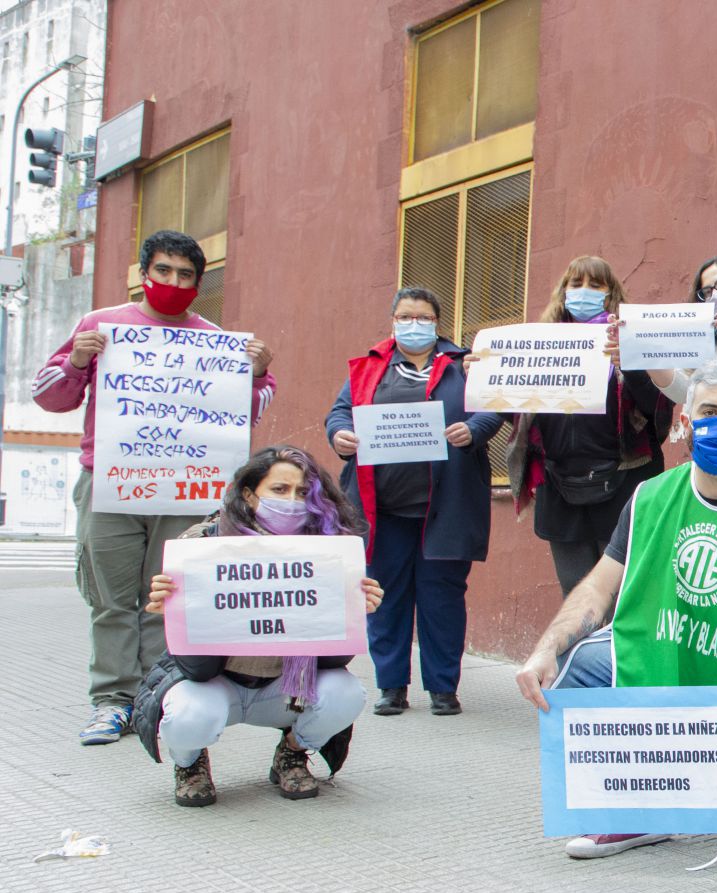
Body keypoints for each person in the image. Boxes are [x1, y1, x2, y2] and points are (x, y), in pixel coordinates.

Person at [514, 358, 717, 860]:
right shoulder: (649, 497)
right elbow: (598, 587)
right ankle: (637, 807)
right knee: (567, 668)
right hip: (672, 654)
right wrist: (544, 650)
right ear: (684, 421)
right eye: (709, 409)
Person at [32, 229, 278, 746]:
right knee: (110, 597)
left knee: (166, 596)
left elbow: (246, 414)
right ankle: (111, 701)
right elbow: (50, 398)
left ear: (198, 283)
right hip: (110, 485)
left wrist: (256, 375)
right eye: (163, 271)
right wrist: (78, 361)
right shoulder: (100, 326)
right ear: (143, 275)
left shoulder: (214, 340)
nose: (173, 282)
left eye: (185, 275)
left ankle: (157, 694)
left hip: (185, 491)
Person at [141, 446, 382, 805]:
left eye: (302, 493)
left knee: (345, 693)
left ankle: (292, 752)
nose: (293, 502)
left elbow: (333, 663)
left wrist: (350, 614)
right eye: (279, 490)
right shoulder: (202, 546)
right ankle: (190, 764)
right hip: (216, 684)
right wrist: (180, 614)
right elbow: (195, 669)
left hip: (285, 689)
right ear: (250, 495)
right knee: (190, 714)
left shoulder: (329, 551)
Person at [326, 287, 501, 717]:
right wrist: (340, 436)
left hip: (446, 506)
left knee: (442, 600)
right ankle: (391, 687)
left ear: (437, 323)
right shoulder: (368, 368)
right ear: (392, 322)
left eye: (423, 317)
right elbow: (339, 414)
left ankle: (443, 688)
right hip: (382, 510)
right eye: (406, 316)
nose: (414, 323)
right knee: (384, 599)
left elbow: (496, 408)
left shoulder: (465, 366)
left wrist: (474, 430)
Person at [501, 256, 676, 593]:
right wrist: (485, 376)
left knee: (621, 598)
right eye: (576, 284)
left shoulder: (632, 339)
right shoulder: (537, 343)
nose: (584, 292)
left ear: (611, 293)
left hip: (623, 483)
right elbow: (514, 411)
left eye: (596, 285)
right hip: (560, 488)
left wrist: (631, 365)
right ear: (563, 292)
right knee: (575, 599)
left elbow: (659, 413)